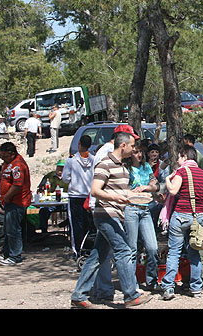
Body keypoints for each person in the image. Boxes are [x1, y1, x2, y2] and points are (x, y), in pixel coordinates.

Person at [70, 131, 151, 309]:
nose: (134, 150)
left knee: (97, 256)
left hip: (115, 214)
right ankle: (130, 294)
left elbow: (122, 192)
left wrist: (140, 195)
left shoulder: (122, 167)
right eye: (131, 146)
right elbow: (95, 190)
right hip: (106, 215)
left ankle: (78, 295)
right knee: (123, 250)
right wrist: (115, 198)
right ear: (123, 146)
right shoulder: (104, 164)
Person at [161, 145, 203, 301]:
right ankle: (196, 288)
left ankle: (168, 287)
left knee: (174, 252)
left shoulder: (181, 172)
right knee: (195, 253)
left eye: (179, 157)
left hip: (180, 216)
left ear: (185, 157)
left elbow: (172, 190)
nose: (178, 161)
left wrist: (167, 179)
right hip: (198, 217)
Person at [124, 140, 159, 292]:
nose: (138, 155)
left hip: (145, 209)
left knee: (152, 247)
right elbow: (122, 189)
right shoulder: (126, 169)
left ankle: (152, 280)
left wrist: (147, 187)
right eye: (135, 152)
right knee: (132, 248)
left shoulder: (146, 167)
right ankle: (132, 284)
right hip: (131, 209)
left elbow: (155, 185)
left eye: (140, 152)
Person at [0, 142, 32, 265]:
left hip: (17, 201)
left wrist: (7, 196)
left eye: (5, 156)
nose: (3, 159)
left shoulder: (18, 165)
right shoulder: (8, 164)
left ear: (12, 154)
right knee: (8, 229)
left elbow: (17, 185)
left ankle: (15, 256)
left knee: (14, 230)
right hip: (9, 202)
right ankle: (7, 253)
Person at [62, 135, 95, 258]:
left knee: (76, 225)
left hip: (75, 196)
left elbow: (65, 178)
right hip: (89, 196)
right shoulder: (94, 160)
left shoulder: (71, 160)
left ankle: (77, 251)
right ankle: (89, 249)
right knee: (89, 224)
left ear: (79, 144)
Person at [36, 159, 69, 236]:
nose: (60, 170)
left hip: (65, 201)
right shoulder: (50, 176)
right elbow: (40, 187)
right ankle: (44, 231)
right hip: (51, 201)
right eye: (59, 167)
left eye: (63, 168)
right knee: (43, 210)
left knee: (73, 210)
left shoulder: (69, 176)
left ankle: (69, 229)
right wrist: (42, 189)